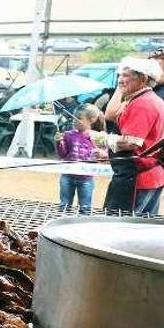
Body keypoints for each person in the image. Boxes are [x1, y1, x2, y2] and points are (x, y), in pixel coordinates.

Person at [103, 57, 164, 213]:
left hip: (135, 178)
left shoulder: (142, 104)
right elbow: (110, 115)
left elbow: (131, 143)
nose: (120, 80)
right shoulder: (150, 100)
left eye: (126, 76)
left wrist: (103, 139)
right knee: (142, 228)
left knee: (120, 226)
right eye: (119, 75)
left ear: (143, 79)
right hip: (149, 175)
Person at [55, 104, 105, 213]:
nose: (74, 120)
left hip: (86, 178)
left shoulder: (97, 137)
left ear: (91, 120)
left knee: (85, 207)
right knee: (64, 205)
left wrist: (101, 154)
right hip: (67, 176)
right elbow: (62, 154)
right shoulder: (68, 135)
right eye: (73, 117)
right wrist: (59, 142)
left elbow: (104, 154)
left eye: (79, 118)